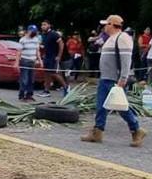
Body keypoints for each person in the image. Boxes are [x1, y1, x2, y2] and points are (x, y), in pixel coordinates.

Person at [81, 15, 146, 146]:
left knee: (121, 107)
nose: (104, 26)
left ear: (112, 25)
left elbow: (126, 60)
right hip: (106, 77)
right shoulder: (111, 38)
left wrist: (123, 78)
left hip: (114, 79)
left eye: (106, 24)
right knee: (101, 106)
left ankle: (136, 129)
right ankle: (98, 131)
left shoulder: (123, 38)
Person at [38, 20, 67, 97]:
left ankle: (66, 88)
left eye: (45, 25)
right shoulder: (44, 35)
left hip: (53, 57)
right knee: (47, 74)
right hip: (46, 57)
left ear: (49, 25)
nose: (43, 26)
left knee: (54, 73)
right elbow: (45, 46)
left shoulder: (54, 34)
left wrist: (59, 56)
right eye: (42, 25)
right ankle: (46, 91)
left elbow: (61, 45)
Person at [17, 24, 43, 102]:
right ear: (28, 31)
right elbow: (19, 52)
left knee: (31, 79)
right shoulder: (22, 40)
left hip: (32, 61)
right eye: (33, 31)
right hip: (25, 60)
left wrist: (40, 61)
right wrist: (16, 62)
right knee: (24, 79)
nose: (34, 33)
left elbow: (37, 51)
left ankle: (29, 95)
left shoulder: (36, 39)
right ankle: (22, 95)